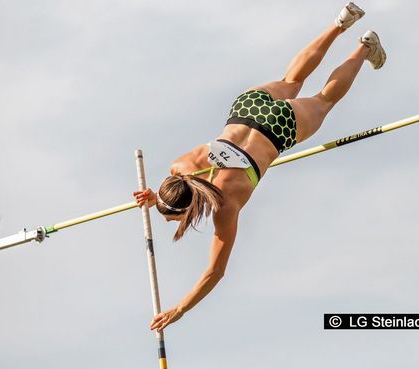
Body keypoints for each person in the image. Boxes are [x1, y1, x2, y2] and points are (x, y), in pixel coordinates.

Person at [134, 2, 386, 332]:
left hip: (277, 128)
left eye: (173, 218)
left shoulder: (226, 204)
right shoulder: (180, 166)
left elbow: (215, 272)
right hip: (246, 109)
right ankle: (341, 23)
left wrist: (179, 309)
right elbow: (178, 185)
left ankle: (364, 48)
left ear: (189, 208)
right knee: (292, 79)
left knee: (325, 99)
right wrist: (157, 198)